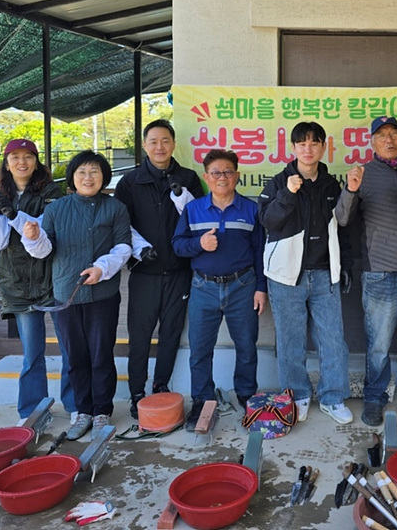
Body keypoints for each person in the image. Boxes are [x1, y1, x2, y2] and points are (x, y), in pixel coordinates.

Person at [22, 151, 132, 440]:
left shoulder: (115, 208)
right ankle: (82, 411)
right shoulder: (57, 209)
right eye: (82, 172)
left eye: (94, 172)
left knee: (101, 354)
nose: (88, 178)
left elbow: (123, 248)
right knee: (75, 355)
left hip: (103, 293)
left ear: (104, 177)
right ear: (72, 177)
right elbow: (45, 250)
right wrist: (33, 237)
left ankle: (102, 411)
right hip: (65, 293)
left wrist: (101, 268)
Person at [334, 115, 397, 427]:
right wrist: (350, 190)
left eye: (394, 134)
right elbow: (341, 218)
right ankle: (375, 396)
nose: (388, 140)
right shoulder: (363, 174)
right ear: (372, 142)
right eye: (381, 135)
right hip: (380, 272)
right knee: (378, 341)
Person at [258, 121, 352, 425]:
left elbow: (343, 226)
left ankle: (333, 397)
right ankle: (296, 395)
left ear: (324, 147)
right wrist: (287, 193)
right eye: (302, 144)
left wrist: (344, 266)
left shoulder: (331, 184)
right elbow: (268, 222)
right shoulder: (278, 182)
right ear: (293, 148)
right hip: (286, 276)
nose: (308, 149)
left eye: (314, 143)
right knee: (290, 340)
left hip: (325, 273)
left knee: (333, 339)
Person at [113, 119, 203, 419]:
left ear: (174, 144)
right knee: (139, 336)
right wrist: (139, 251)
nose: (159, 147)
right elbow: (121, 225)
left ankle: (160, 387)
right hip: (144, 273)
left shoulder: (189, 178)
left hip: (179, 272)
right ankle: (137, 392)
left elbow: (198, 218)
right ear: (144, 145)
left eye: (165, 140)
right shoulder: (129, 182)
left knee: (171, 334)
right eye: (153, 141)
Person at [172, 149, 266, 427]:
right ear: (206, 177)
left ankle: (247, 395)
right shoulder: (193, 209)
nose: (222, 177)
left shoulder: (251, 209)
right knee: (200, 348)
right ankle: (201, 399)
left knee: (246, 345)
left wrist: (261, 288)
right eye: (216, 173)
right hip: (203, 287)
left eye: (228, 172)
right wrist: (198, 244)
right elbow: (177, 245)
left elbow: (261, 251)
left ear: (237, 175)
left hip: (243, 286)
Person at [0, 138, 75, 423]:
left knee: (69, 346)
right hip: (17, 283)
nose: (22, 163)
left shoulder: (52, 193)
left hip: (52, 280)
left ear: (36, 161)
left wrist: (13, 213)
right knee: (32, 353)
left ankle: (75, 406)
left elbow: (43, 232)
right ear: (6, 164)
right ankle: (34, 411)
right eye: (15, 157)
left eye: (28, 157)